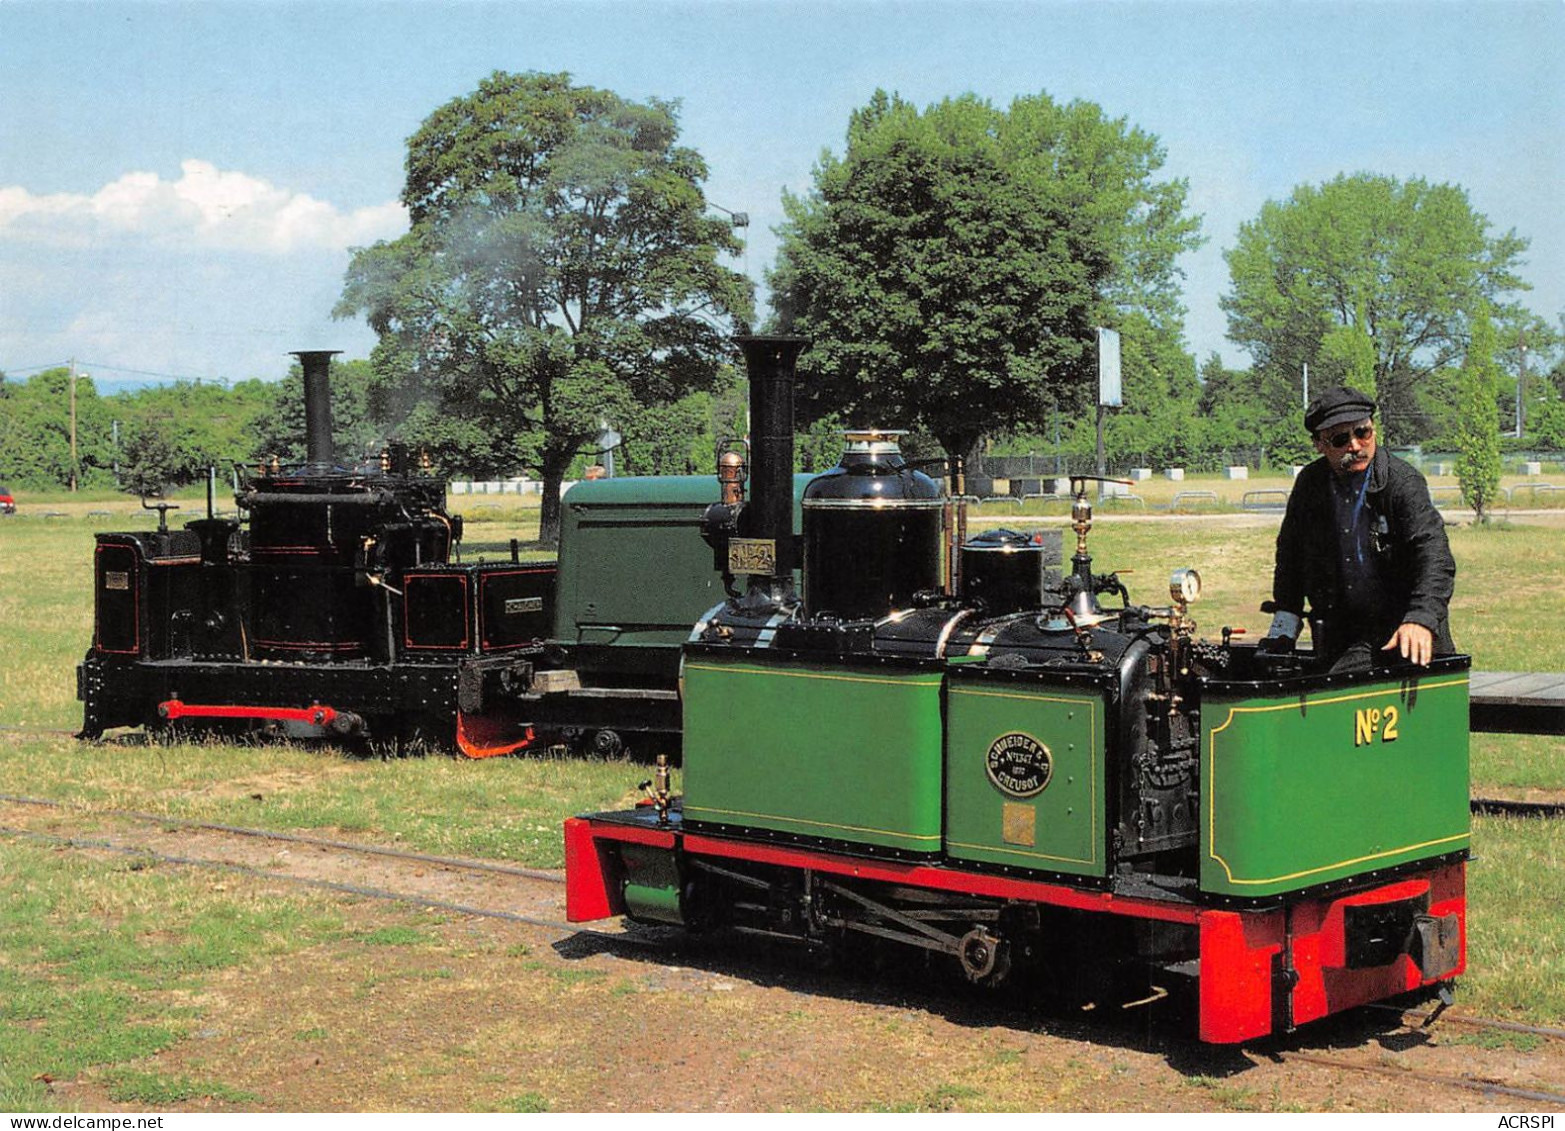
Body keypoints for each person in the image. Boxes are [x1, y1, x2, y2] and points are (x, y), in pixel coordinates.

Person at [1258, 386, 1456, 672]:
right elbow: (1290, 556)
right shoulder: (1310, 484)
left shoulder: (1403, 483)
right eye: (1340, 439)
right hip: (1346, 633)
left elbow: (1434, 554)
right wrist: (1283, 627)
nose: (1355, 445)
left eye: (1362, 433)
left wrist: (1421, 618)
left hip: (1405, 627)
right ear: (1319, 444)